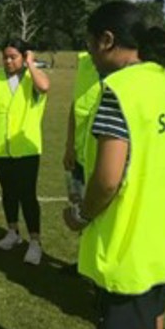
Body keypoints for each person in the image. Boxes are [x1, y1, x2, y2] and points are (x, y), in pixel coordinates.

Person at [63, 1, 165, 329]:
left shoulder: (117, 91)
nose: (89, 53)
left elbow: (106, 180)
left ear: (106, 40)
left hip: (129, 249)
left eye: (89, 44)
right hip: (163, 240)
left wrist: (81, 216)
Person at [0, 38, 50, 265]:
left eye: (13, 56)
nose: (8, 61)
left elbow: (45, 87)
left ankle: (35, 241)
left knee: (27, 195)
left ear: (24, 56)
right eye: (5, 57)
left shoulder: (32, 77)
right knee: (8, 191)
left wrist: (30, 64)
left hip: (26, 147)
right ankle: (13, 232)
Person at [61, 51, 102, 271]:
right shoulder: (86, 61)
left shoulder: (120, 65)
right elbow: (75, 107)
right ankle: (85, 262)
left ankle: (97, 270)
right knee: (80, 208)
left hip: (102, 157)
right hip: (79, 155)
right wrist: (69, 146)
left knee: (99, 213)